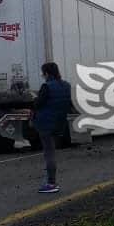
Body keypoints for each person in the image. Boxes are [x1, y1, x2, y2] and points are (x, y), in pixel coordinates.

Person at [33, 62, 71, 193]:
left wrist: (35, 99)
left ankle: (51, 184)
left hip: (45, 124)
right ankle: (51, 182)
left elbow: (38, 104)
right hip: (59, 123)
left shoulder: (46, 86)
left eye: (43, 73)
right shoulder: (66, 85)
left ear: (47, 73)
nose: (42, 76)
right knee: (52, 152)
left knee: (49, 154)